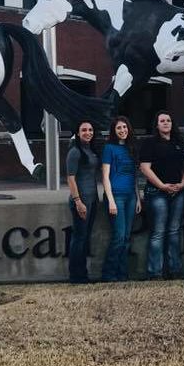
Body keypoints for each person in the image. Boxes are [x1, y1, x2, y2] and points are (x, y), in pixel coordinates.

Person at [139, 110, 184, 280]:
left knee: (174, 231)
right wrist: (161, 186)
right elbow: (145, 168)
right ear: (157, 124)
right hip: (156, 193)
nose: (166, 123)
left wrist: (182, 183)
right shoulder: (150, 143)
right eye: (162, 121)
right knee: (158, 232)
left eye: (168, 120)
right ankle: (155, 272)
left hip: (178, 192)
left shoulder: (179, 142)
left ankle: (175, 270)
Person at [100, 115, 141, 282]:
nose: (122, 130)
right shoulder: (109, 148)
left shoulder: (132, 148)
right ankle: (108, 274)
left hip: (131, 196)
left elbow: (135, 176)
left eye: (124, 127)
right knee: (118, 236)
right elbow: (105, 176)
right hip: (115, 196)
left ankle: (122, 274)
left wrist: (138, 198)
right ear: (114, 131)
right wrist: (110, 200)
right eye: (119, 128)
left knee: (126, 237)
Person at [65, 120, 101, 284]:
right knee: (79, 238)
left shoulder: (91, 150)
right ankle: (76, 276)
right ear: (78, 133)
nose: (88, 132)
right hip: (81, 201)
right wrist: (78, 201)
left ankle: (83, 274)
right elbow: (70, 178)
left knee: (84, 238)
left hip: (92, 199)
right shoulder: (75, 152)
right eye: (84, 130)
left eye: (90, 129)